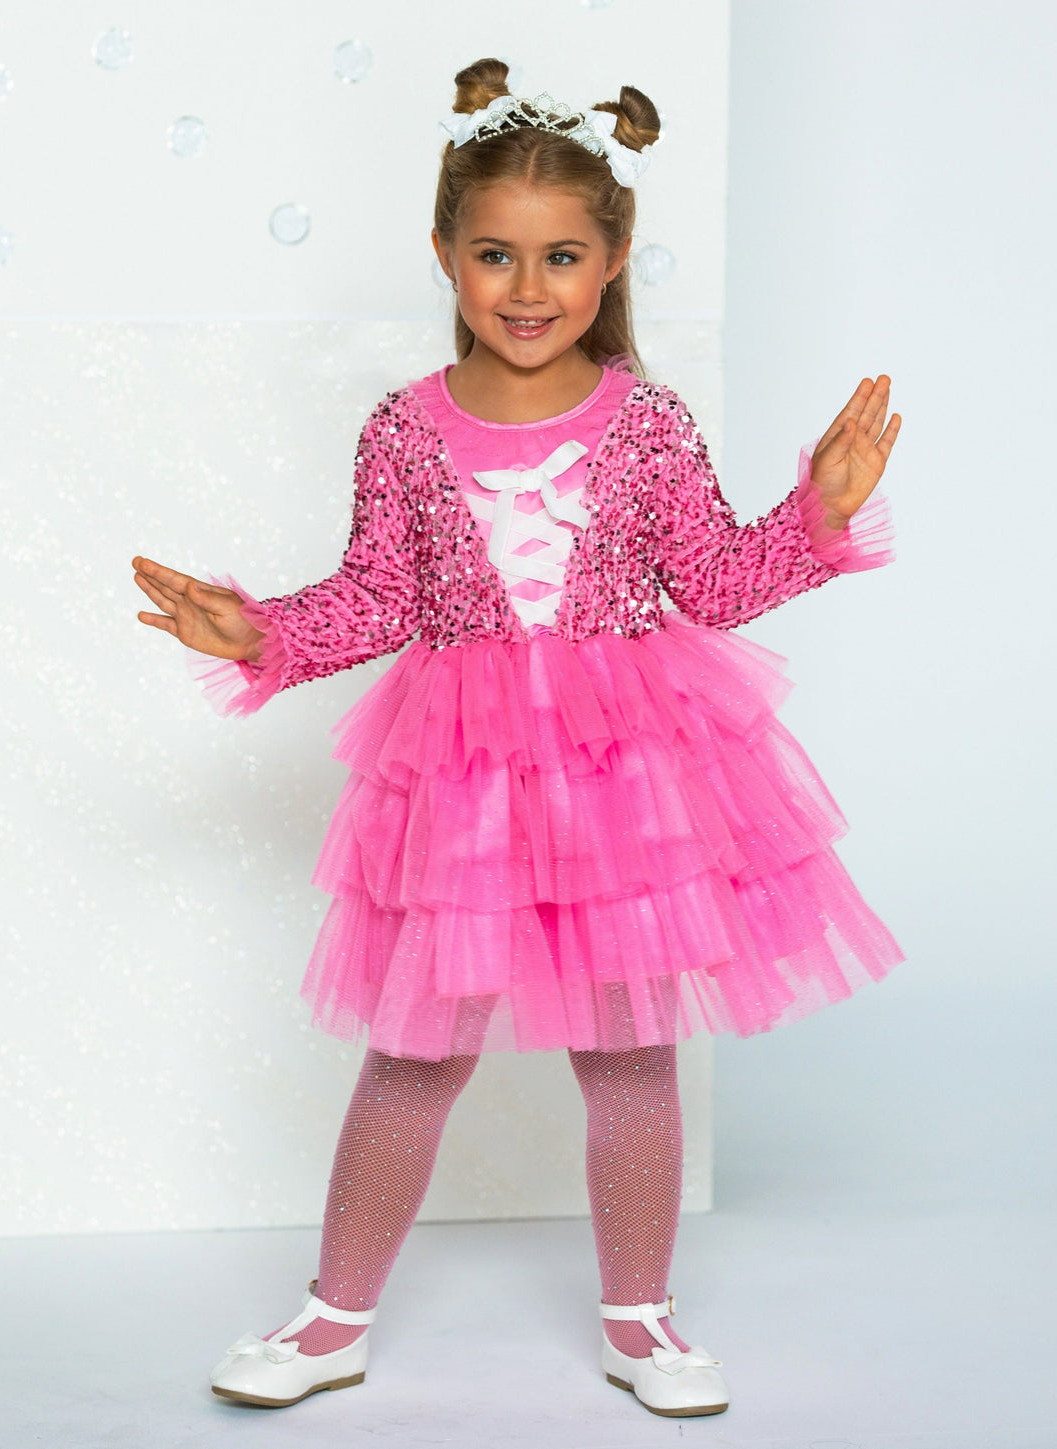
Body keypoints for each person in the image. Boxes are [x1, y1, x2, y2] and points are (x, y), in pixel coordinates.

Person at [131, 58, 904, 1420]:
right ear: (446, 253)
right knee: (415, 1052)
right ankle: (333, 1317)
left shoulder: (650, 425)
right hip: (468, 783)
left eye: (561, 256)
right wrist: (259, 633)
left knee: (632, 1053)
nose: (527, 286)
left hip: (623, 780)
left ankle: (639, 1317)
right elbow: (379, 596)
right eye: (496, 254)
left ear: (612, 260)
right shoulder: (403, 431)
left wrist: (818, 513)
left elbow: (715, 584)